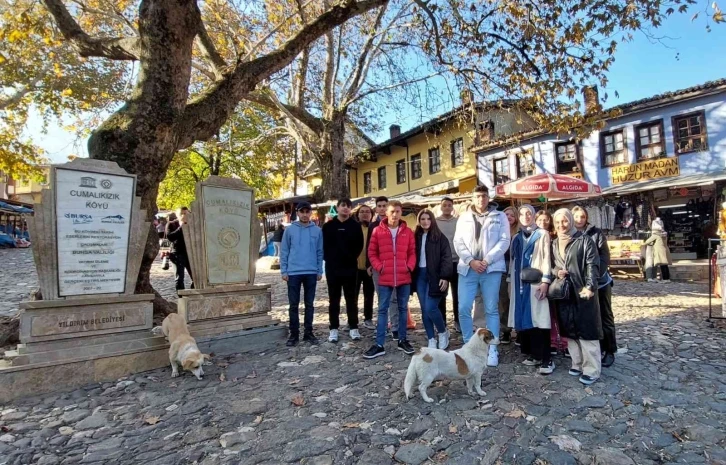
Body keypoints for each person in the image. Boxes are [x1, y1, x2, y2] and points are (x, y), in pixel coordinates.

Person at [454, 185, 511, 367]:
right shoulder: (463, 217)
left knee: (491, 308)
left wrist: (487, 260)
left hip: (490, 268)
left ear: (489, 198)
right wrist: (471, 260)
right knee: (463, 307)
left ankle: (491, 349)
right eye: (478, 196)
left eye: (484, 196)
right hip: (468, 268)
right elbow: (458, 241)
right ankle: (468, 344)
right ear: (473, 198)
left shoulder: (500, 216)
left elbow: (504, 240)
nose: (481, 200)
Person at [552, 208, 602, 385]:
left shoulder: (584, 240)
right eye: (557, 222)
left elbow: (592, 264)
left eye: (564, 221)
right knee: (570, 329)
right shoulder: (554, 242)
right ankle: (577, 363)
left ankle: (592, 369)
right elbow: (552, 265)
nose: (561, 225)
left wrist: (590, 286)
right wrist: (557, 272)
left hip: (582, 290)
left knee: (586, 330)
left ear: (570, 221)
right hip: (565, 292)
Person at [364, 200, 417, 359]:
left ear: (401, 213)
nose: (395, 214)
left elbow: (412, 252)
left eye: (398, 211)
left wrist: (409, 266)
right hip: (385, 277)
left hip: (403, 276)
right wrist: (380, 267)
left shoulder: (407, 232)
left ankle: (403, 340)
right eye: (392, 211)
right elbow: (372, 252)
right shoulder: (377, 231)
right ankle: (379, 344)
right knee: (382, 309)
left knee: (402, 308)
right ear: (386, 212)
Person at [509, 205, 555, 375]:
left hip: (536, 281)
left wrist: (545, 281)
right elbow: (514, 261)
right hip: (519, 283)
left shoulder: (542, 234)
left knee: (540, 319)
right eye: (522, 214)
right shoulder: (516, 237)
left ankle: (546, 358)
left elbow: (546, 258)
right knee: (526, 318)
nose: (525, 216)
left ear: (534, 216)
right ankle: (533, 354)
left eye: (529, 213)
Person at [573, 206, 616, 368]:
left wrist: (594, 278)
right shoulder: (570, 235)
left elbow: (604, 257)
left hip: (601, 282)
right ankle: (591, 351)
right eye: (576, 217)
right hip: (580, 284)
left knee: (605, 316)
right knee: (589, 318)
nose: (579, 220)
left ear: (586, 218)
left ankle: (609, 350)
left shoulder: (596, 233)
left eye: (582, 217)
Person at [280, 202, 323, 346]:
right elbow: (284, 251)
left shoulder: (317, 230)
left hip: (311, 272)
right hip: (293, 273)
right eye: (302, 212)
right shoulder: (290, 230)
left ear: (311, 213)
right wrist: (284, 270)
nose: (305, 214)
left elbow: (319, 251)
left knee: (309, 304)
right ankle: (294, 334)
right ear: (297, 213)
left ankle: (308, 332)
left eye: (307, 211)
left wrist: (319, 270)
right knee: (293, 305)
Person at [323, 198, 364, 342]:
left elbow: (359, 245)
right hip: (333, 269)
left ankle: (353, 327)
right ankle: (333, 328)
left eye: (348, 206)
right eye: (343, 206)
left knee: (351, 299)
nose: (345, 209)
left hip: (350, 268)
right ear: (338, 208)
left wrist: (350, 258)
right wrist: (331, 259)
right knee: (334, 299)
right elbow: (324, 246)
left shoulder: (355, 226)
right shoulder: (328, 226)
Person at [413, 209, 453, 349]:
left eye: (428, 219)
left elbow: (446, 258)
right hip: (420, 276)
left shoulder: (440, 237)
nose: (425, 222)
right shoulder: (415, 236)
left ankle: (443, 332)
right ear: (419, 221)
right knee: (424, 309)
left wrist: (445, 276)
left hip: (435, 277)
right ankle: (431, 338)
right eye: (422, 219)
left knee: (431, 308)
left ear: (432, 220)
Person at [367, 196, 401, 338]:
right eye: (379, 206)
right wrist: (369, 265)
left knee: (394, 298)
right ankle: (382, 326)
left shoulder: (398, 225)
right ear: (376, 208)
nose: (382, 208)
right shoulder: (373, 225)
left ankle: (395, 327)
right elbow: (370, 247)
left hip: (394, 268)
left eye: (384, 206)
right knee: (382, 298)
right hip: (378, 267)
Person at [536, 210, 568, 357]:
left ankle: (566, 341)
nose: (543, 223)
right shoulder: (536, 237)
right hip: (547, 278)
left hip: (558, 280)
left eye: (546, 220)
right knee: (549, 314)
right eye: (540, 220)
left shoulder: (555, 237)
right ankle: (554, 341)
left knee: (561, 314)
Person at [436, 197, 461, 332]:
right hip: (442, 264)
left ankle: (457, 321)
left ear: (452, 207)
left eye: (449, 205)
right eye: (444, 205)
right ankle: (443, 323)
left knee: (458, 294)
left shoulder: (458, 221)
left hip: (457, 262)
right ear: (441, 207)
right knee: (441, 295)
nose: (446, 207)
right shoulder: (435, 222)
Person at [499, 206, 519, 344]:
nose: (509, 217)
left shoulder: (520, 232)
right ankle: (505, 330)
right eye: (506, 214)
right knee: (503, 300)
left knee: (516, 299)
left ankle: (519, 330)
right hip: (501, 267)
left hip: (515, 268)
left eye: (512, 215)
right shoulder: (498, 230)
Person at [356, 205, 376, 330]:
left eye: (367, 212)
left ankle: (368, 318)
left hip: (370, 267)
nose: (364, 214)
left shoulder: (375, 228)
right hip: (355, 268)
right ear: (357, 214)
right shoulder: (354, 228)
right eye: (362, 212)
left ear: (371, 214)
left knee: (369, 295)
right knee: (353, 295)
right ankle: (351, 319)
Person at [166, 207, 194, 290]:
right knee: (179, 277)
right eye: (182, 214)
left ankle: (193, 294)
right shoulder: (172, 224)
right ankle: (181, 297)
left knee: (196, 277)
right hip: (177, 254)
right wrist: (181, 227)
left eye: (186, 213)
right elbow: (170, 237)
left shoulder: (193, 224)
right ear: (177, 215)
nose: (184, 215)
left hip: (191, 253)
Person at [644, 218, 672, 283]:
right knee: (665, 265)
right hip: (664, 250)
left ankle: (665, 279)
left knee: (662, 265)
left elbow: (647, 241)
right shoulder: (664, 234)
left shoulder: (655, 235)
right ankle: (667, 278)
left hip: (659, 251)